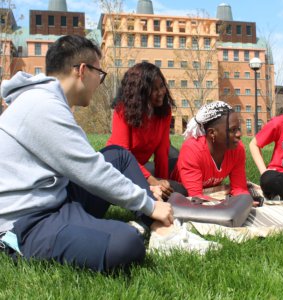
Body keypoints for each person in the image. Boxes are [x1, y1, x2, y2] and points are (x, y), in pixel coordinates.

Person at [0, 35, 174, 272]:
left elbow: (90, 167)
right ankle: (156, 217)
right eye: (99, 75)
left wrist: (146, 198)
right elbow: (90, 170)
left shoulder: (50, 101)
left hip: (57, 198)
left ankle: (158, 225)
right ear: (82, 71)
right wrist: (149, 204)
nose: (100, 83)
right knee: (126, 243)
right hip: (28, 222)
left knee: (118, 155)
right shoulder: (41, 105)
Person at [106, 62, 186, 201]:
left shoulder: (164, 112)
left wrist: (163, 184)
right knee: (150, 194)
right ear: (141, 93)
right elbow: (123, 153)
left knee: (179, 190)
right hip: (118, 168)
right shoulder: (123, 110)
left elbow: (162, 151)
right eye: (154, 89)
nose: (161, 92)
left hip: (140, 168)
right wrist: (153, 182)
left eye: (161, 86)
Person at [171, 101, 252, 202]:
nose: (239, 134)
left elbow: (239, 189)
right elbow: (195, 197)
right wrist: (226, 204)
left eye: (238, 128)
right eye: (232, 130)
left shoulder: (237, 149)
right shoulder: (192, 150)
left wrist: (244, 201)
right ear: (212, 133)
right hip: (175, 183)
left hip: (206, 191)